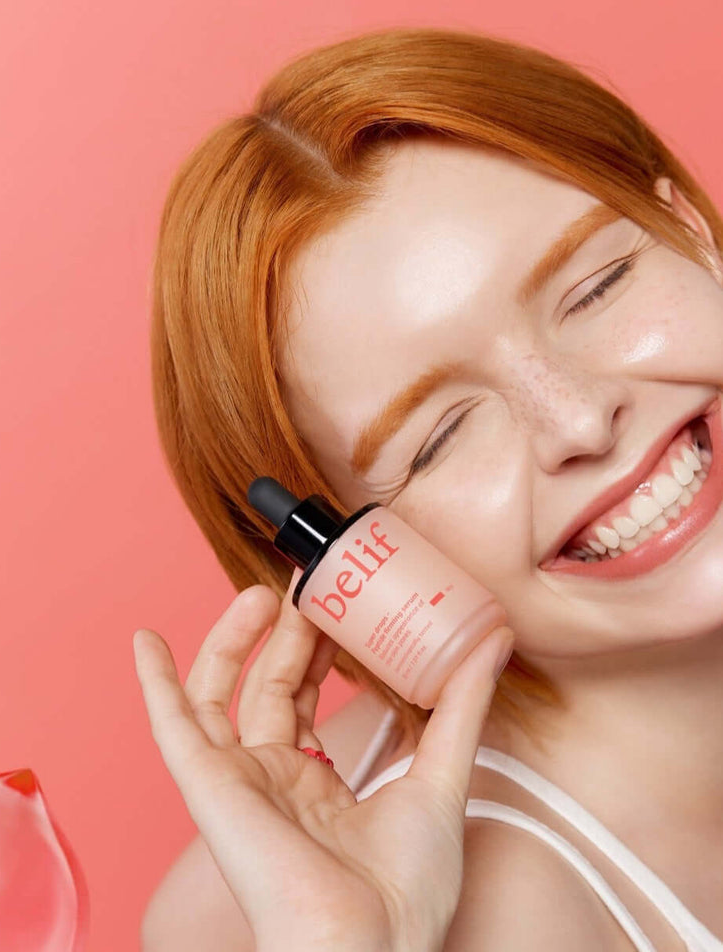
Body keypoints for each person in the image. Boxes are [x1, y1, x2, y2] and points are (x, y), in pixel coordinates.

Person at [133, 26, 723, 952]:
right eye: (441, 437)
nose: (578, 421)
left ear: (687, 228)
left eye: (596, 287)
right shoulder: (506, 919)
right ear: (353, 565)